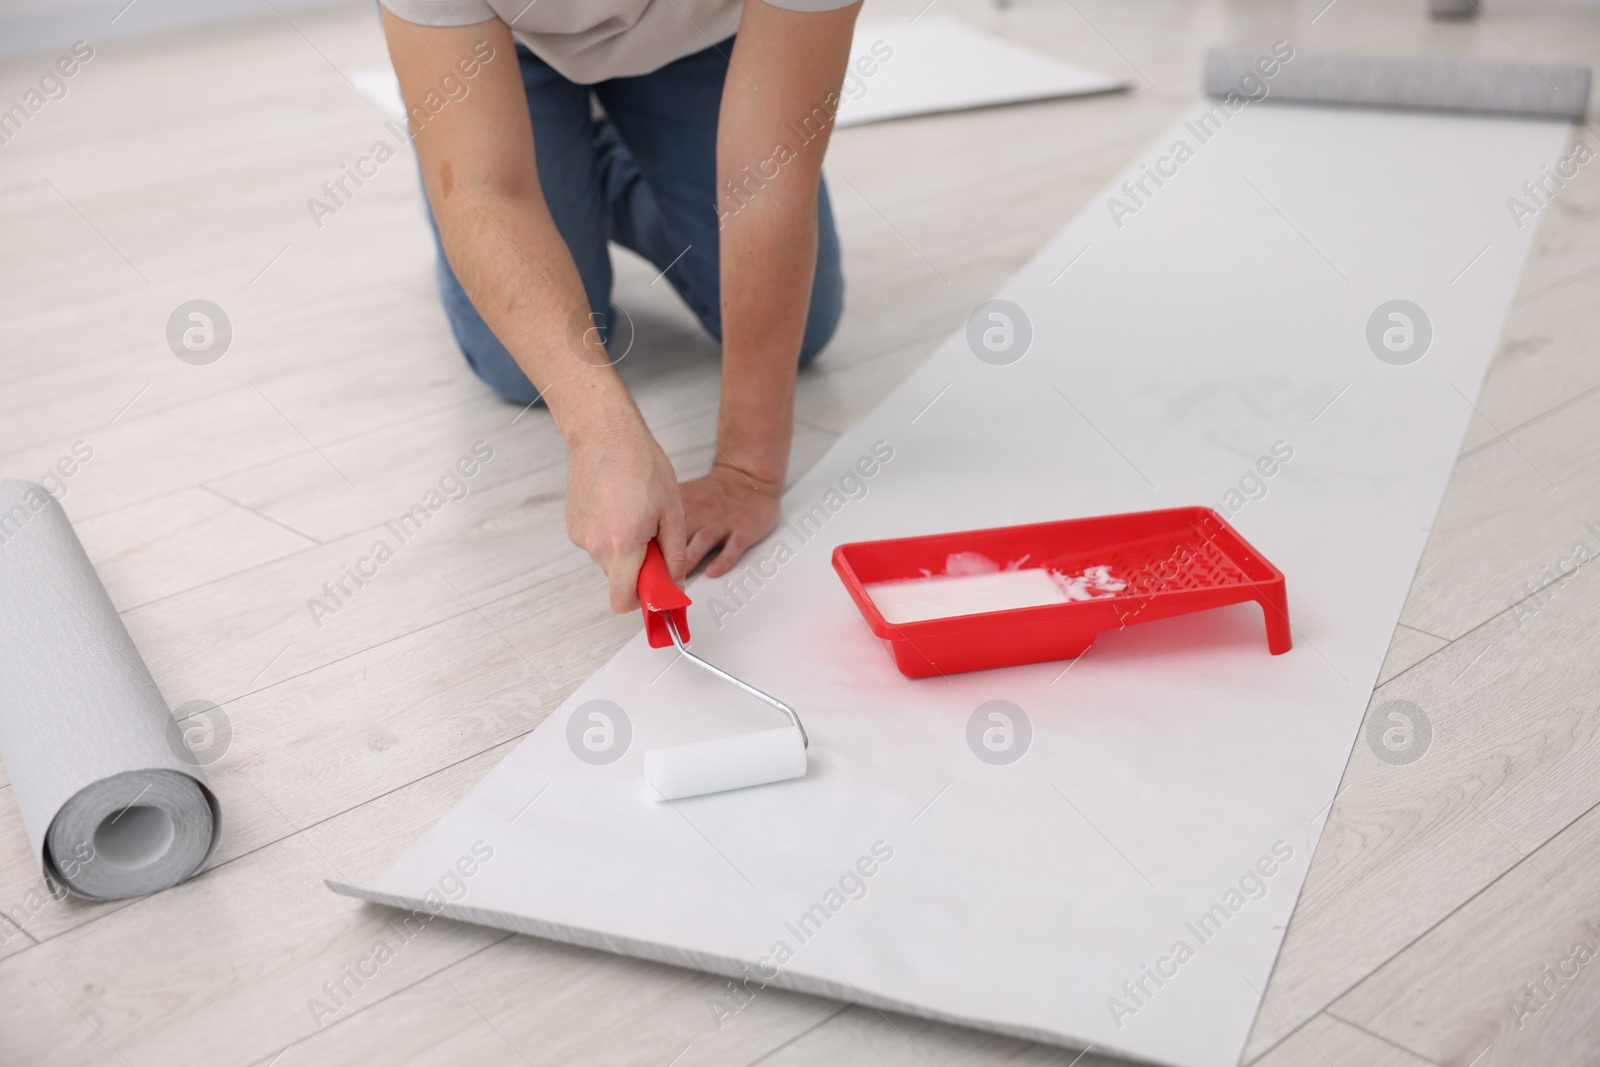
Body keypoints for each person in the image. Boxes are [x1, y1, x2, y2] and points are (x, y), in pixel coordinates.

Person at [378, 0, 861, 615]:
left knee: (806, 326)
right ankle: (552, 177)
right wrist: (599, 433)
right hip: (503, 46)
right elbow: (484, 189)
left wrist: (750, 471)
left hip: (699, 36)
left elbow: (768, 179)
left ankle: (592, 175)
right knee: (522, 369)